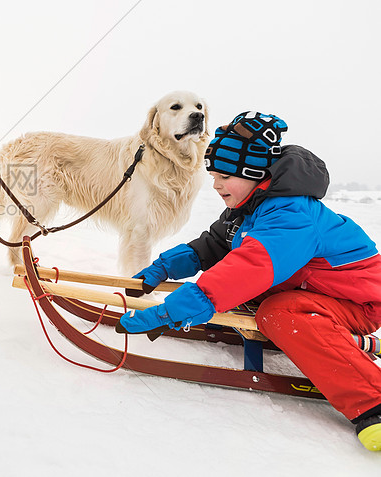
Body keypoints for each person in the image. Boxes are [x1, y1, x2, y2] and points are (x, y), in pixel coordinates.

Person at [117, 111, 381, 451]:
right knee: (255, 297)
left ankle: (372, 401)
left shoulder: (291, 214)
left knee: (278, 313)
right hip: (308, 289)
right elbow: (214, 244)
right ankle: (333, 342)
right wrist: (164, 267)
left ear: (255, 174)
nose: (215, 184)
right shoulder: (249, 206)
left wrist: (175, 310)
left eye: (225, 175)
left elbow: (250, 267)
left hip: (356, 303)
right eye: (213, 175)